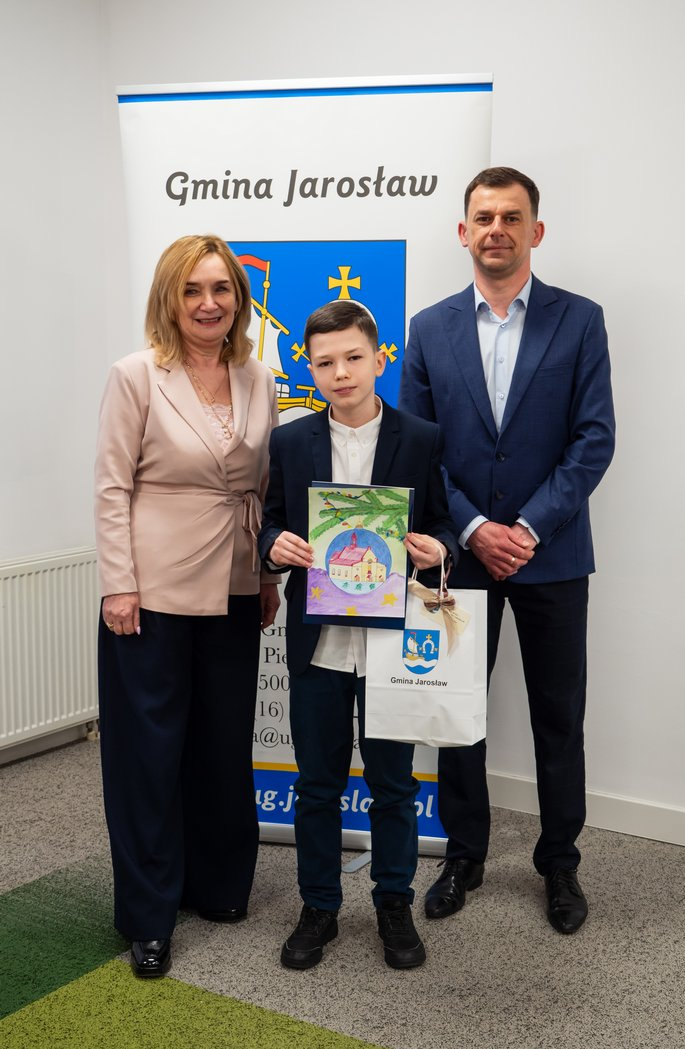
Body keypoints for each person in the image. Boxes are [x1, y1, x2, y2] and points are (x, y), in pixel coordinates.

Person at [399, 167, 615, 934]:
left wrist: (525, 528)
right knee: (459, 711)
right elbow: (418, 448)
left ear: (535, 231)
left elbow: (594, 439)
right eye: (484, 217)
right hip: (459, 559)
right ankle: (464, 855)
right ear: (464, 232)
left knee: (559, 715)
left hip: (550, 555)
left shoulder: (580, 320)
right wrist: (471, 529)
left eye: (511, 217)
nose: (497, 229)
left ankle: (560, 862)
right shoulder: (428, 328)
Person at [95, 234, 280, 977]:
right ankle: (149, 913)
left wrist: (266, 577)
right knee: (148, 754)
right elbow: (112, 485)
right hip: (153, 590)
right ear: (169, 299)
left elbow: (261, 485)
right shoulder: (136, 374)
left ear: (239, 298)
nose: (209, 303)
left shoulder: (258, 376)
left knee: (222, 742)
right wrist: (118, 583)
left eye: (222, 289)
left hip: (236, 580)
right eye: (193, 290)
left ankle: (217, 885)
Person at [258, 300, 458, 970]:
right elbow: (269, 523)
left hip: (390, 644)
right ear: (309, 369)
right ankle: (319, 906)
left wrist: (438, 549)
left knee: (394, 785)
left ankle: (394, 903)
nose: (340, 373)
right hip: (318, 644)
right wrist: (274, 544)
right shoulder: (290, 442)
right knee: (317, 783)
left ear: (378, 359)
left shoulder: (421, 438)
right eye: (325, 362)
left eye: (352, 358)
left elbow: (445, 524)